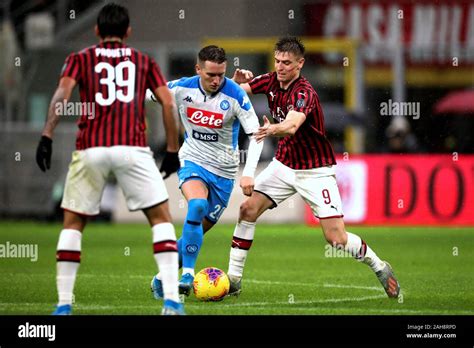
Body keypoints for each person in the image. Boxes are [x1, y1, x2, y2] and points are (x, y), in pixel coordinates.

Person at [35, 3, 184, 315]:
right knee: (160, 218)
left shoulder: (79, 59)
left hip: (91, 149)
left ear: (96, 30)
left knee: (73, 224)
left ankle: (63, 305)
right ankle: (171, 302)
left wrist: (47, 134)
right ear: (128, 31)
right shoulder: (143, 62)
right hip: (132, 149)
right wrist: (172, 149)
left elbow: (61, 95)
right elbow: (168, 105)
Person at [226, 36, 400, 299]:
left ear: (300, 64)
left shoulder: (304, 92)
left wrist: (271, 129)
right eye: (277, 61)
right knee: (247, 209)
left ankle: (380, 266)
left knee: (336, 240)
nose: (281, 66)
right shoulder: (271, 80)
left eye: (287, 62)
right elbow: (236, 90)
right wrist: (236, 80)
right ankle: (234, 280)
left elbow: (293, 125)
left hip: (315, 171)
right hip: (283, 165)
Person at [150, 45, 263, 298]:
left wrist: (249, 172)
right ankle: (187, 275)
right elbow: (150, 93)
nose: (216, 80)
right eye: (210, 75)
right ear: (198, 69)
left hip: (224, 174)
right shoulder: (182, 87)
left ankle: (161, 277)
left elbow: (257, 135)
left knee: (196, 231)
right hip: (193, 160)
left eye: (221, 75)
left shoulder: (235, 94)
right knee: (197, 205)